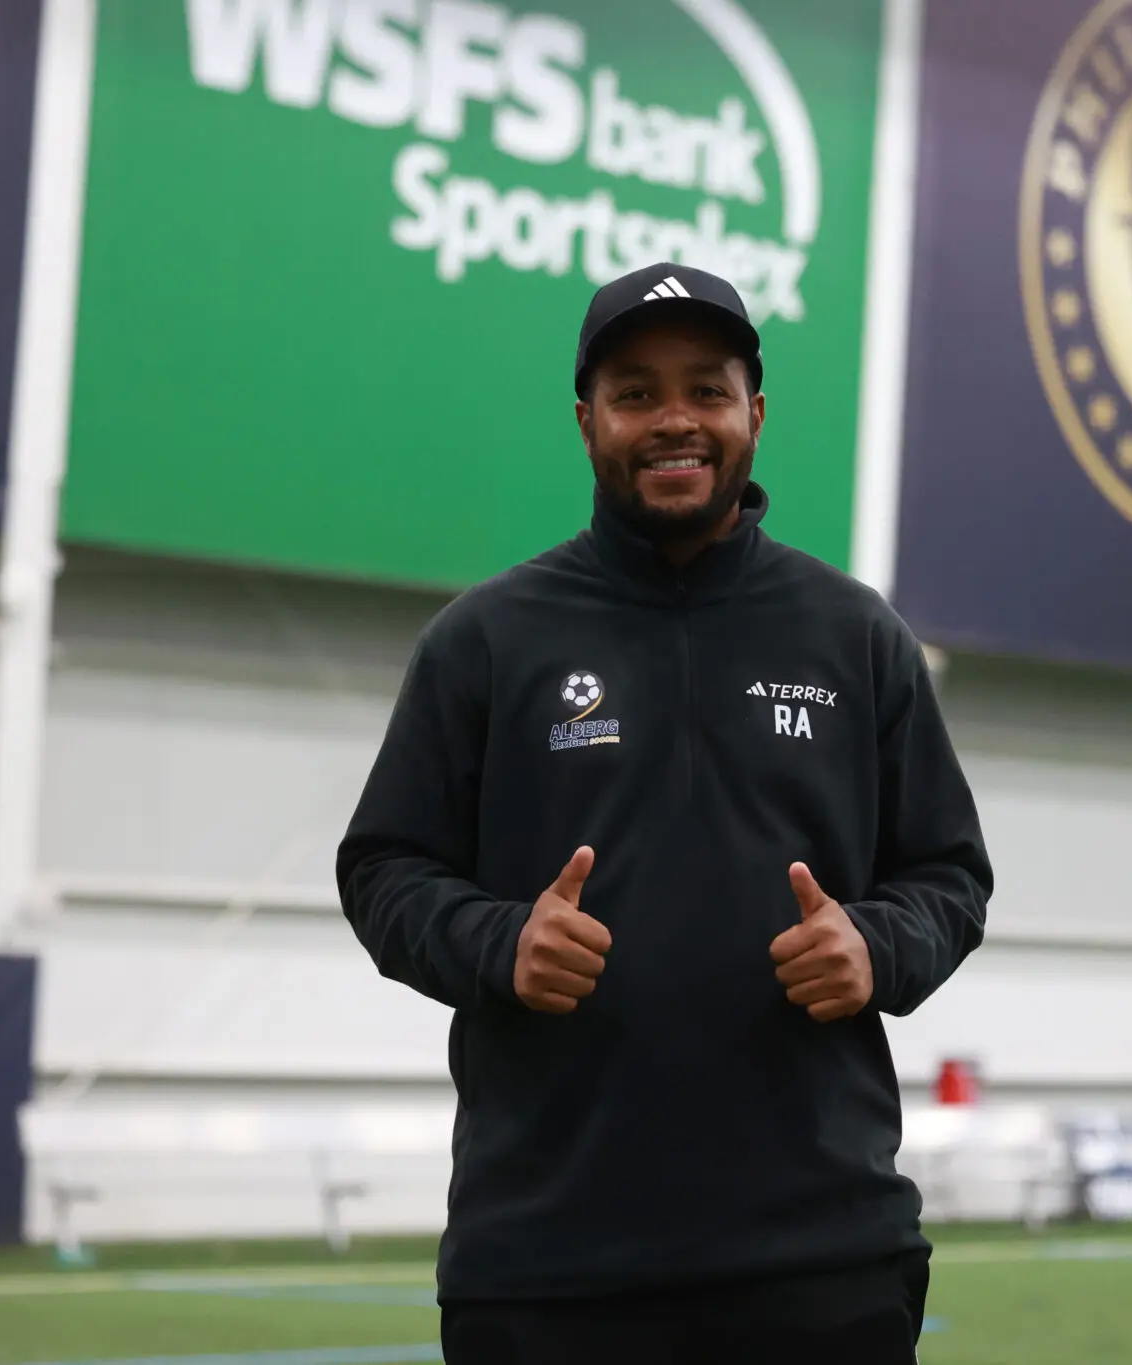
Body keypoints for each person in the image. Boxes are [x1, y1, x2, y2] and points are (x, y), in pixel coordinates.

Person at [337, 261, 992, 1364]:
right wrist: (502, 942)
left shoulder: (854, 636)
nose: (673, 420)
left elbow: (948, 874)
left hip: (821, 1262)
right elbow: (384, 868)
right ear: (587, 419)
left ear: (755, 413)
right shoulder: (487, 640)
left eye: (706, 389)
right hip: (547, 1268)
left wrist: (873, 947)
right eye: (636, 393)